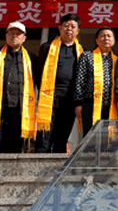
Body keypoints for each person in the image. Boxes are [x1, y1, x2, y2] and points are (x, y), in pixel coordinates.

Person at [0, 22, 37, 153]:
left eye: (18, 33)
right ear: (6, 36)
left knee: (14, 145)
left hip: (19, 108)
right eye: (11, 33)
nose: (14, 36)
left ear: (24, 38)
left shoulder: (31, 57)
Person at [36, 13, 84, 153]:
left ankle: (57, 170)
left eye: (73, 26)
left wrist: (78, 102)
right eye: (66, 26)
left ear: (78, 31)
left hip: (69, 100)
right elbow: (39, 73)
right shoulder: (47, 48)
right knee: (44, 136)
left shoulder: (83, 52)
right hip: (49, 98)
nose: (69, 29)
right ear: (59, 28)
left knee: (62, 136)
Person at [74, 27, 118, 134]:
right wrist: (78, 103)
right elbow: (80, 80)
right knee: (90, 135)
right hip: (90, 103)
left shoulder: (117, 60)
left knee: (107, 136)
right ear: (97, 40)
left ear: (113, 41)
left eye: (109, 36)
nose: (106, 38)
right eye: (102, 36)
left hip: (110, 105)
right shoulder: (87, 56)